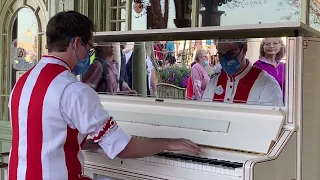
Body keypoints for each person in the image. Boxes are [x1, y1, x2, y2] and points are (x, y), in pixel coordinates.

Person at [8, 11, 200, 180]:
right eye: (89, 47)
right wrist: (168, 142)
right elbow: (124, 149)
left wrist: (102, 141)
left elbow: (54, 137)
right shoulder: (74, 90)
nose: (90, 54)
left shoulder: (22, 83)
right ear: (76, 43)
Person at [202, 39, 283, 106]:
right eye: (220, 55)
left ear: (244, 49)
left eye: (230, 54)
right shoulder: (213, 84)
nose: (225, 59)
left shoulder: (268, 85)